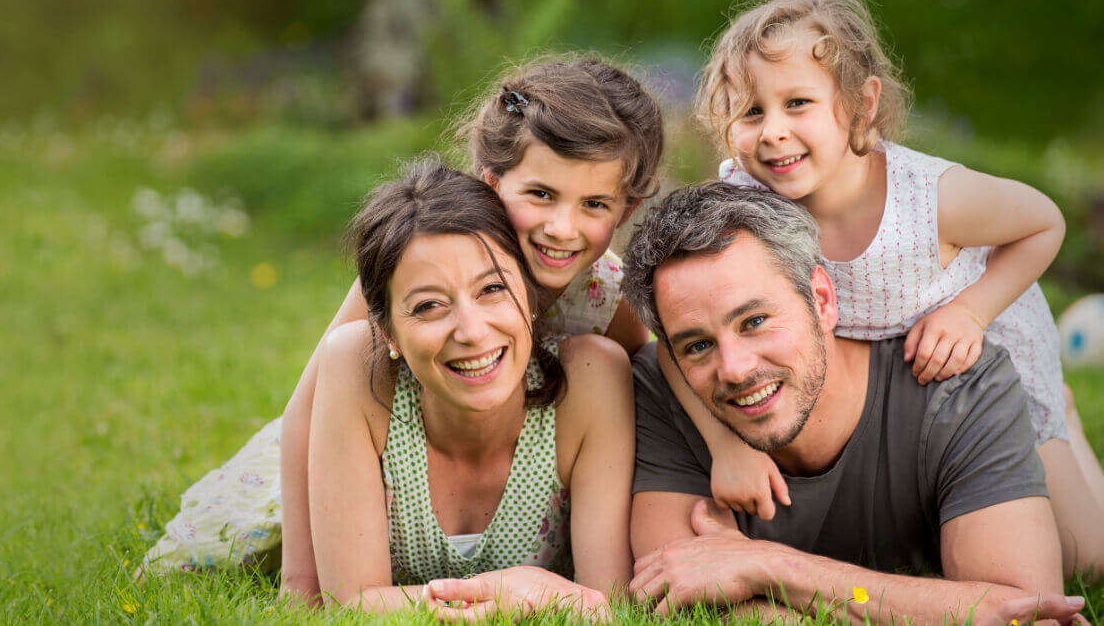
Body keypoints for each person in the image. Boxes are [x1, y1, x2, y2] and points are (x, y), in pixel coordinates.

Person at [424, 182, 1085, 624]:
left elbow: (1020, 611)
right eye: (697, 345)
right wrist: (919, 607)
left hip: (1005, 421)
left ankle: (1068, 427)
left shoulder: (958, 390)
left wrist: (774, 569)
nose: (735, 370)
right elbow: (678, 603)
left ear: (823, 301)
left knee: (1088, 550)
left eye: (755, 321)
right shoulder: (657, 390)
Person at [139, 55, 665, 601]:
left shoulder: (608, 294)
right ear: (491, 183)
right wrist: (303, 584)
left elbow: (645, 397)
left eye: (594, 204)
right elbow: (308, 408)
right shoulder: (425, 252)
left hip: (516, 451)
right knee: (251, 549)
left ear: (624, 212)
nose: (562, 227)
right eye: (541, 195)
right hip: (355, 439)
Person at [676, 0, 1104, 576]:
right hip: (879, 383)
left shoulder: (930, 200)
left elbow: (1042, 223)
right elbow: (674, 326)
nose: (772, 130)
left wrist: (972, 311)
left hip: (974, 348)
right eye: (751, 112)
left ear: (860, 104)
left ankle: (1065, 422)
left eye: (797, 103)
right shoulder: (744, 199)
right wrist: (727, 444)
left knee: (1085, 555)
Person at [307, 157, 635, 614]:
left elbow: (608, 605)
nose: (472, 331)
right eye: (428, 307)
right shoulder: (356, 366)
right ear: (387, 334)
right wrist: (511, 592)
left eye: (492, 289)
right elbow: (350, 605)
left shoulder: (590, 381)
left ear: (530, 295)